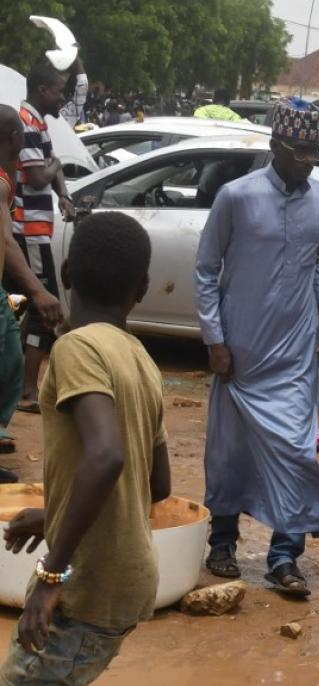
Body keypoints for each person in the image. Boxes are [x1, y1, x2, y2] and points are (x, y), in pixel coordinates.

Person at [0, 212, 170, 685]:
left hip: (87, 585)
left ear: (67, 271)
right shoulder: (142, 361)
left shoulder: (78, 349)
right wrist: (52, 512)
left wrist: (51, 576)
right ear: (143, 286)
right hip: (127, 579)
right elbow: (158, 485)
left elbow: (106, 456)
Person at [194, 98, 319, 598]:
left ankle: (284, 557)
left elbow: (312, 264)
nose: (307, 159)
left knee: (298, 449)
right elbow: (206, 270)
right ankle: (222, 543)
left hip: (296, 350)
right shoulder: (236, 196)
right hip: (241, 348)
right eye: (298, 150)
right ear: (276, 146)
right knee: (229, 449)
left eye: (313, 151)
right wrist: (215, 339)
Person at [1, 105, 64, 470]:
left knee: (11, 335)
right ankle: (24, 393)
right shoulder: (2, 182)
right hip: (19, 264)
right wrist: (38, 290)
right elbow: (6, 243)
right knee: (9, 353)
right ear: (13, 138)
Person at [14, 62, 75, 416]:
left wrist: (63, 194)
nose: (62, 98)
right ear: (41, 91)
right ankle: (26, 392)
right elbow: (39, 176)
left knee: (19, 308)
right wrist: (54, 166)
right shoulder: (25, 124)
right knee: (43, 309)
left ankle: (19, 384)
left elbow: (54, 170)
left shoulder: (39, 124)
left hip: (37, 230)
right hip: (28, 232)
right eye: (58, 91)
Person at [58, 58, 87, 126]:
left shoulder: (63, 115)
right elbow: (82, 90)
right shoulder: (62, 117)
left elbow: (82, 90)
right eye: (56, 92)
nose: (62, 98)